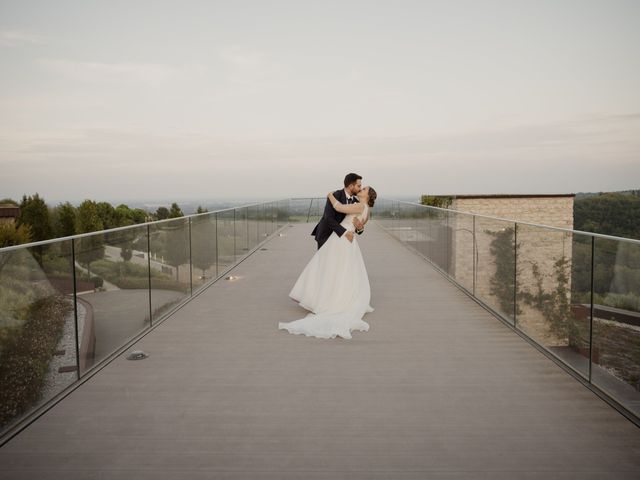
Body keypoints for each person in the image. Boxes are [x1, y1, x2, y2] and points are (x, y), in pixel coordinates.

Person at [279, 184, 378, 339]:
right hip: (348, 241)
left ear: (368, 196)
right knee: (340, 271)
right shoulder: (368, 211)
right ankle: (330, 296)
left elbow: (338, 208)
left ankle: (325, 299)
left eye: (364, 189)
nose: (361, 189)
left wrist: (330, 195)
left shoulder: (359, 205)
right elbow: (359, 227)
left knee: (326, 267)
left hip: (341, 241)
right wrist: (358, 228)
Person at [311, 173, 366, 250]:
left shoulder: (356, 202)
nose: (360, 189)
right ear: (351, 186)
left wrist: (360, 228)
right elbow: (328, 218)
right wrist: (345, 233)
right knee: (325, 261)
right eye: (359, 186)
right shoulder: (335, 196)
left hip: (342, 240)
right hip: (327, 235)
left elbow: (353, 223)